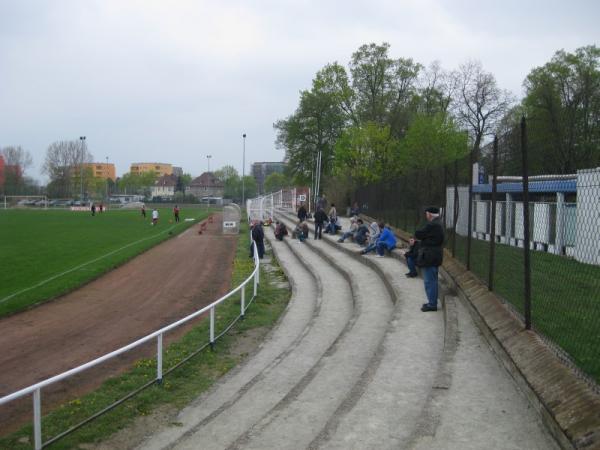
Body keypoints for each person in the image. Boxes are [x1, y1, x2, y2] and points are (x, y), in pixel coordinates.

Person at [413, 207, 445, 312]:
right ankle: (432, 302)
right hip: (435, 256)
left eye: (426, 214)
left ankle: (432, 304)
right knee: (432, 280)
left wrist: (423, 238)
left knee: (429, 281)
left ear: (429, 214)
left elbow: (418, 234)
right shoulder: (438, 223)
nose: (426, 216)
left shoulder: (432, 224)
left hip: (430, 257)